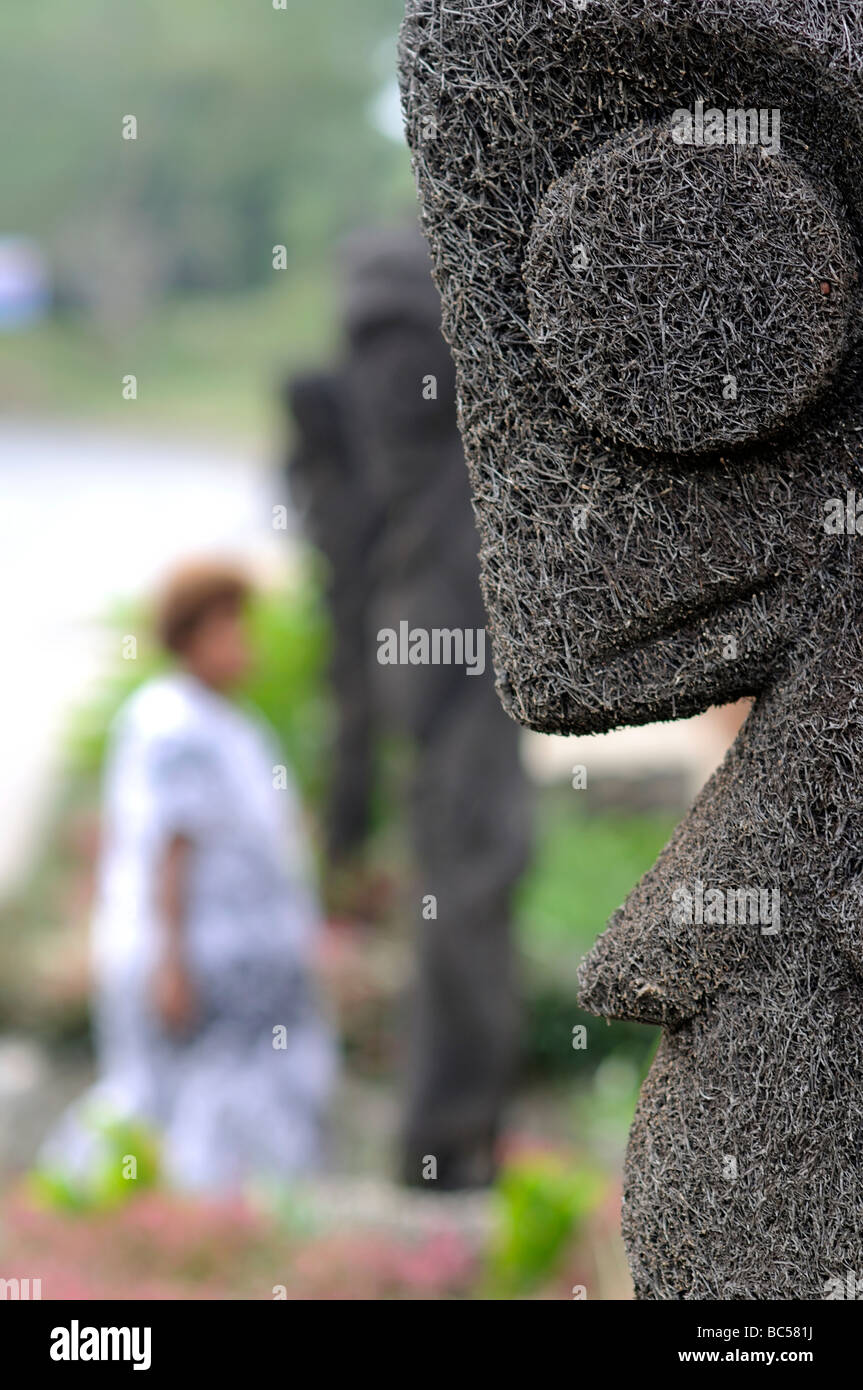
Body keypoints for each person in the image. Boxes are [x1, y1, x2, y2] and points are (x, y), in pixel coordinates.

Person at [41, 560, 336, 1193]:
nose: (245, 645)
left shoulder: (225, 723)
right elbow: (169, 849)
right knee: (171, 1105)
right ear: (192, 637)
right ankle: (82, 1207)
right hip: (200, 963)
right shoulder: (175, 725)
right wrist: (170, 963)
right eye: (230, 629)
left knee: (223, 1109)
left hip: (240, 971)